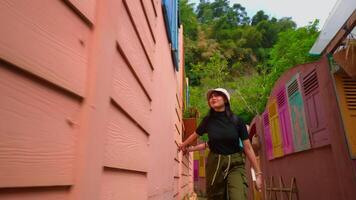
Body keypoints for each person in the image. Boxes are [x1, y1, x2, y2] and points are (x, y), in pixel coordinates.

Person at [179, 88, 262, 200]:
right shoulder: (208, 121)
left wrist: (258, 174)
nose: (213, 98)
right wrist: (183, 145)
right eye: (211, 97)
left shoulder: (237, 121)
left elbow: (248, 148)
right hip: (215, 163)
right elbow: (195, 135)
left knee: (238, 196)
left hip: (235, 164)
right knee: (215, 197)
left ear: (226, 100)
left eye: (217, 95)